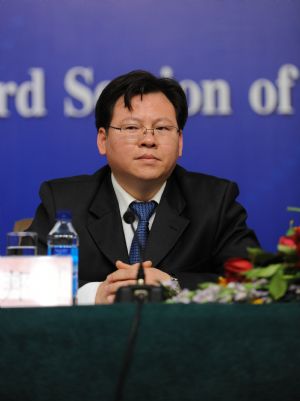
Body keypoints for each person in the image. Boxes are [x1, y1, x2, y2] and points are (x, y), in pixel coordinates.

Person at [28, 70, 259, 304]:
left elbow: (252, 280)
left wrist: (174, 287)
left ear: (179, 142)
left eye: (161, 128)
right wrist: (94, 295)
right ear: (102, 140)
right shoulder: (63, 202)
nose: (148, 139)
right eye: (131, 128)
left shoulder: (215, 201)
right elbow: (26, 283)